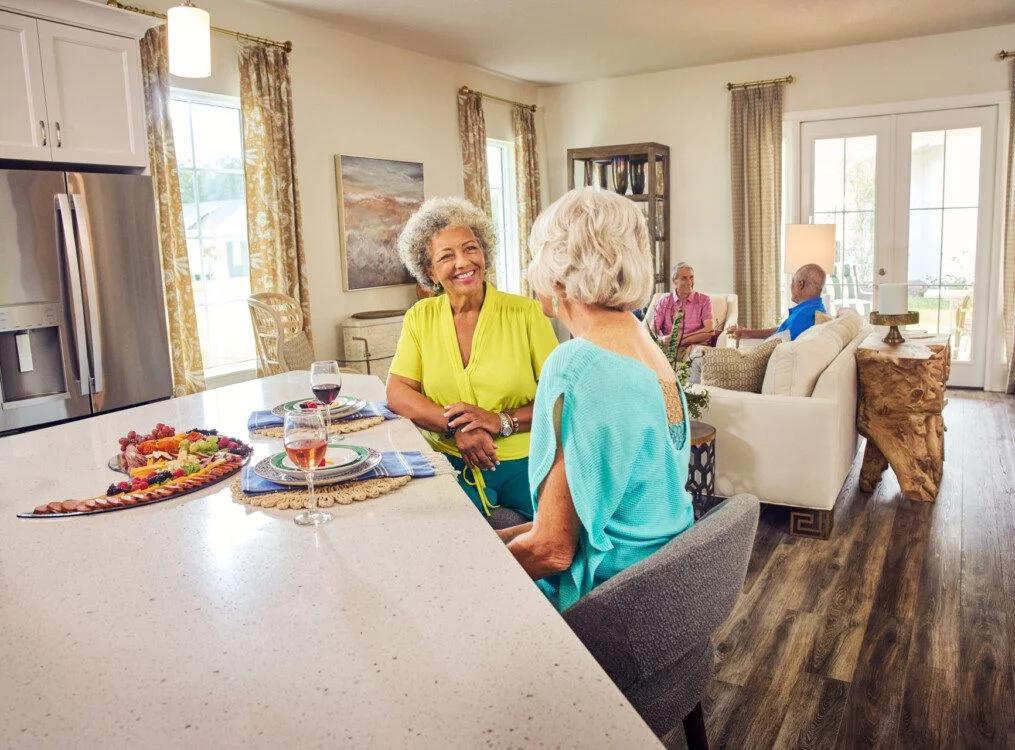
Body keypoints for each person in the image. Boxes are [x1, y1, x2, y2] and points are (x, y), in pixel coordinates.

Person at [496, 187, 694, 612]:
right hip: (664, 589)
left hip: (608, 603)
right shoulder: (644, 341)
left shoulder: (575, 365)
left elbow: (553, 550)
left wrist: (470, 572)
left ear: (557, 272)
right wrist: (485, 545)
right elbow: (588, 515)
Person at [386, 197, 558, 522]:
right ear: (430, 272)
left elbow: (560, 401)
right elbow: (398, 392)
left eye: (470, 249)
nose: (463, 262)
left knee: (550, 556)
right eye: (447, 256)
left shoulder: (527, 313)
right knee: (455, 546)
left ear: (484, 254)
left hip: (524, 462)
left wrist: (499, 421)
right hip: (450, 462)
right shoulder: (420, 317)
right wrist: (457, 429)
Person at [728, 263, 827, 342]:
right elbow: (782, 332)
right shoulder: (815, 309)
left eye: (793, 282)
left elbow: (775, 343)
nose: (790, 286)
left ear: (800, 284)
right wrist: (748, 333)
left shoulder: (803, 316)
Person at [651, 262, 715, 352]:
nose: (689, 282)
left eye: (691, 277)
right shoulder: (664, 301)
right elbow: (653, 331)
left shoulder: (704, 300)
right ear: (674, 281)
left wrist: (682, 339)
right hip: (670, 349)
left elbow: (709, 331)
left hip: (696, 347)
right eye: (684, 278)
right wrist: (661, 339)